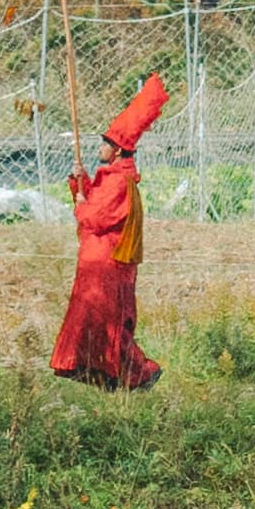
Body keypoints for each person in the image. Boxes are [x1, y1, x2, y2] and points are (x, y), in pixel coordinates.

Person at [49, 72, 171, 392]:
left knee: (106, 320)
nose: (101, 146)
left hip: (106, 264)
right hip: (98, 261)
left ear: (117, 150)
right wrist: (81, 182)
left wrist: (78, 202)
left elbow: (95, 217)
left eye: (106, 143)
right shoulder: (112, 177)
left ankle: (136, 373)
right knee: (93, 318)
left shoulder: (119, 181)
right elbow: (97, 203)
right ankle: (105, 374)